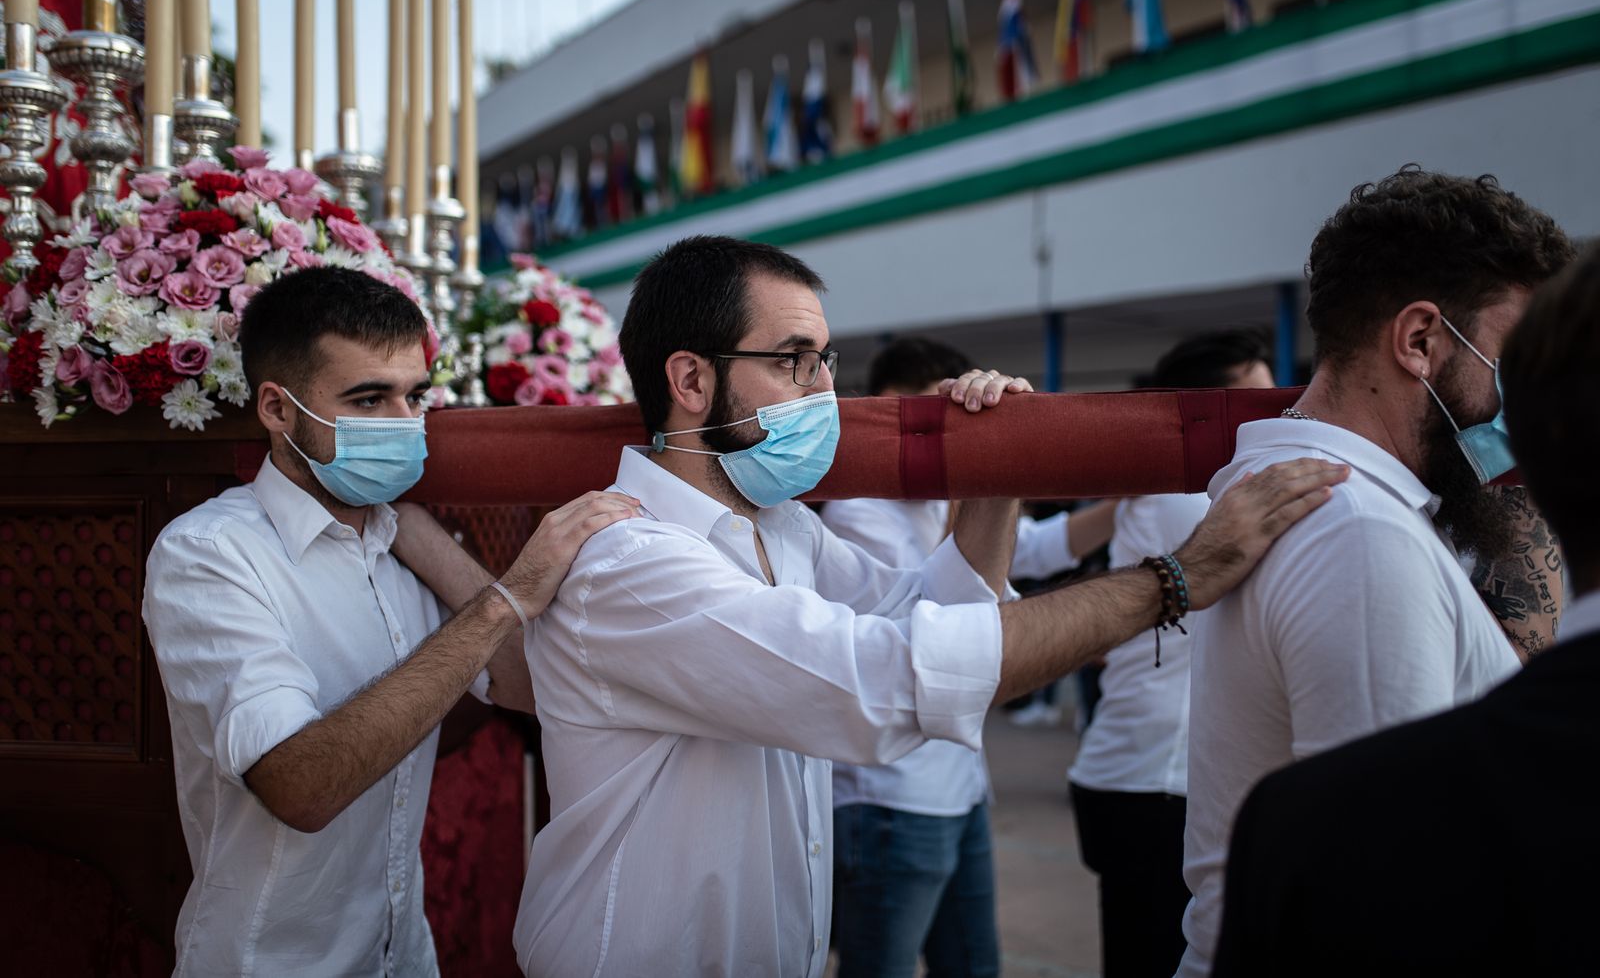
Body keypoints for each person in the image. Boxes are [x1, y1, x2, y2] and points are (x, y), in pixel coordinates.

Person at [396, 234, 1340, 978]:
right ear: (690, 380)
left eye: (826, 360)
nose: (825, 392)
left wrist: (994, 471)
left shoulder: (787, 532)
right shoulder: (630, 562)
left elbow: (934, 610)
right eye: (795, 361)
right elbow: (890, 680)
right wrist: (1174, 581)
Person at [142, 267, 637, 976]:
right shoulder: (209, 555)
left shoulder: (400, 543)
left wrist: (416, 531)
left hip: (401, 954)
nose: (405, 424)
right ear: (279, 411)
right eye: (369, 398)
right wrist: (507, 596)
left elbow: (529, 686)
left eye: (415, 397)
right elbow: (301, 788)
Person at [1175, 168, 1573, 978]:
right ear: (1421, 340)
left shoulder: (1328, 502)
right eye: (1516, 358)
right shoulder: (1356, 535)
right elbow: (1389, 887)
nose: (1529, 395)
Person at [822, 336, 1117, 978]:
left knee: (976, 965)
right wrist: (974, 470)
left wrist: (1122, 504)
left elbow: (1028, 548)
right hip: (890, 799)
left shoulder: (931, 497)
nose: (947, 433)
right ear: (894, 410)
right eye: (936, 417)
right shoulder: (857, 514)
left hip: (960, 787)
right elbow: (955, 624)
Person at [1067, 329, 1274, 978]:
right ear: (1206, 408)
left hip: (1144, 777)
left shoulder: (1186, 490)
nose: (1280, 418)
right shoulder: (1192, 501)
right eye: (1258, 404)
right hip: (1149, 784)